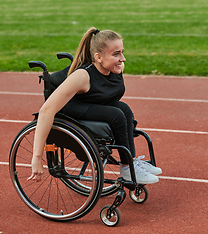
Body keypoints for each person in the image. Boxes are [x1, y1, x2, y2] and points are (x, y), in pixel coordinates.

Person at [28, 27, 162, 184]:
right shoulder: (83, 76)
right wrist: (37, 157)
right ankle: (127, 168)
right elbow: (46, 111)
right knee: (116, 114)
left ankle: (131, 161)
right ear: (98, 57)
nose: (123, 58)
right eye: (116, 54)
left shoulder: (115, 68)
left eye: (122, 52)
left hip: (90, 102)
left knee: (124, 109)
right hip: (70, 108)